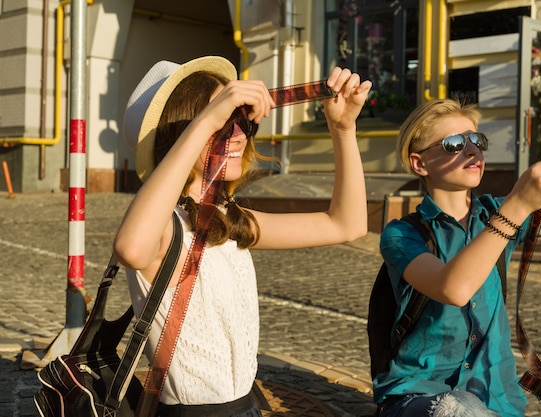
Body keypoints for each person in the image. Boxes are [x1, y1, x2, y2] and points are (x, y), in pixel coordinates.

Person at [115, 56, 371, 417]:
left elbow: (346, 224)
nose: (237, 134)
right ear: (185, 131)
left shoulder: (228, 222)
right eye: (225, 122)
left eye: (241, 122)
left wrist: (343, 130)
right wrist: (207, 121)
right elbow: (131, 247)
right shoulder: (166, 226)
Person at [374, 86, 541, 417]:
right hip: (419, 395)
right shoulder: (401, 234)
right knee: (457, 410)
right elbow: (453, 288)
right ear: (420, 163)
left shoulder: (496, 214)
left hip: (497, 399)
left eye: (476, 140)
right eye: (454, 144)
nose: (471, 151)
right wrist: (517, 205)